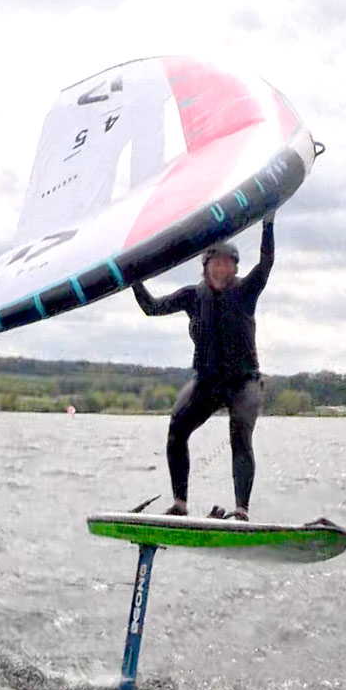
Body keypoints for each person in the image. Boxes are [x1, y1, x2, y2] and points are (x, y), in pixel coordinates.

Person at [131, 216, 276, 521]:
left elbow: (266, 263)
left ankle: (241, 510)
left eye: (228, 264)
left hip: (244, 382)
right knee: (176, 431)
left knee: (240, 435)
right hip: (207, 382)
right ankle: (180, 503)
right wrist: (133, 277)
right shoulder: (192, 296)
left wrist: (268, 224)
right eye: (216, 263)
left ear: (235, 268)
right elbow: (151, 308)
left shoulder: (246, 290)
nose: (222, 269)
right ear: (206, 266)